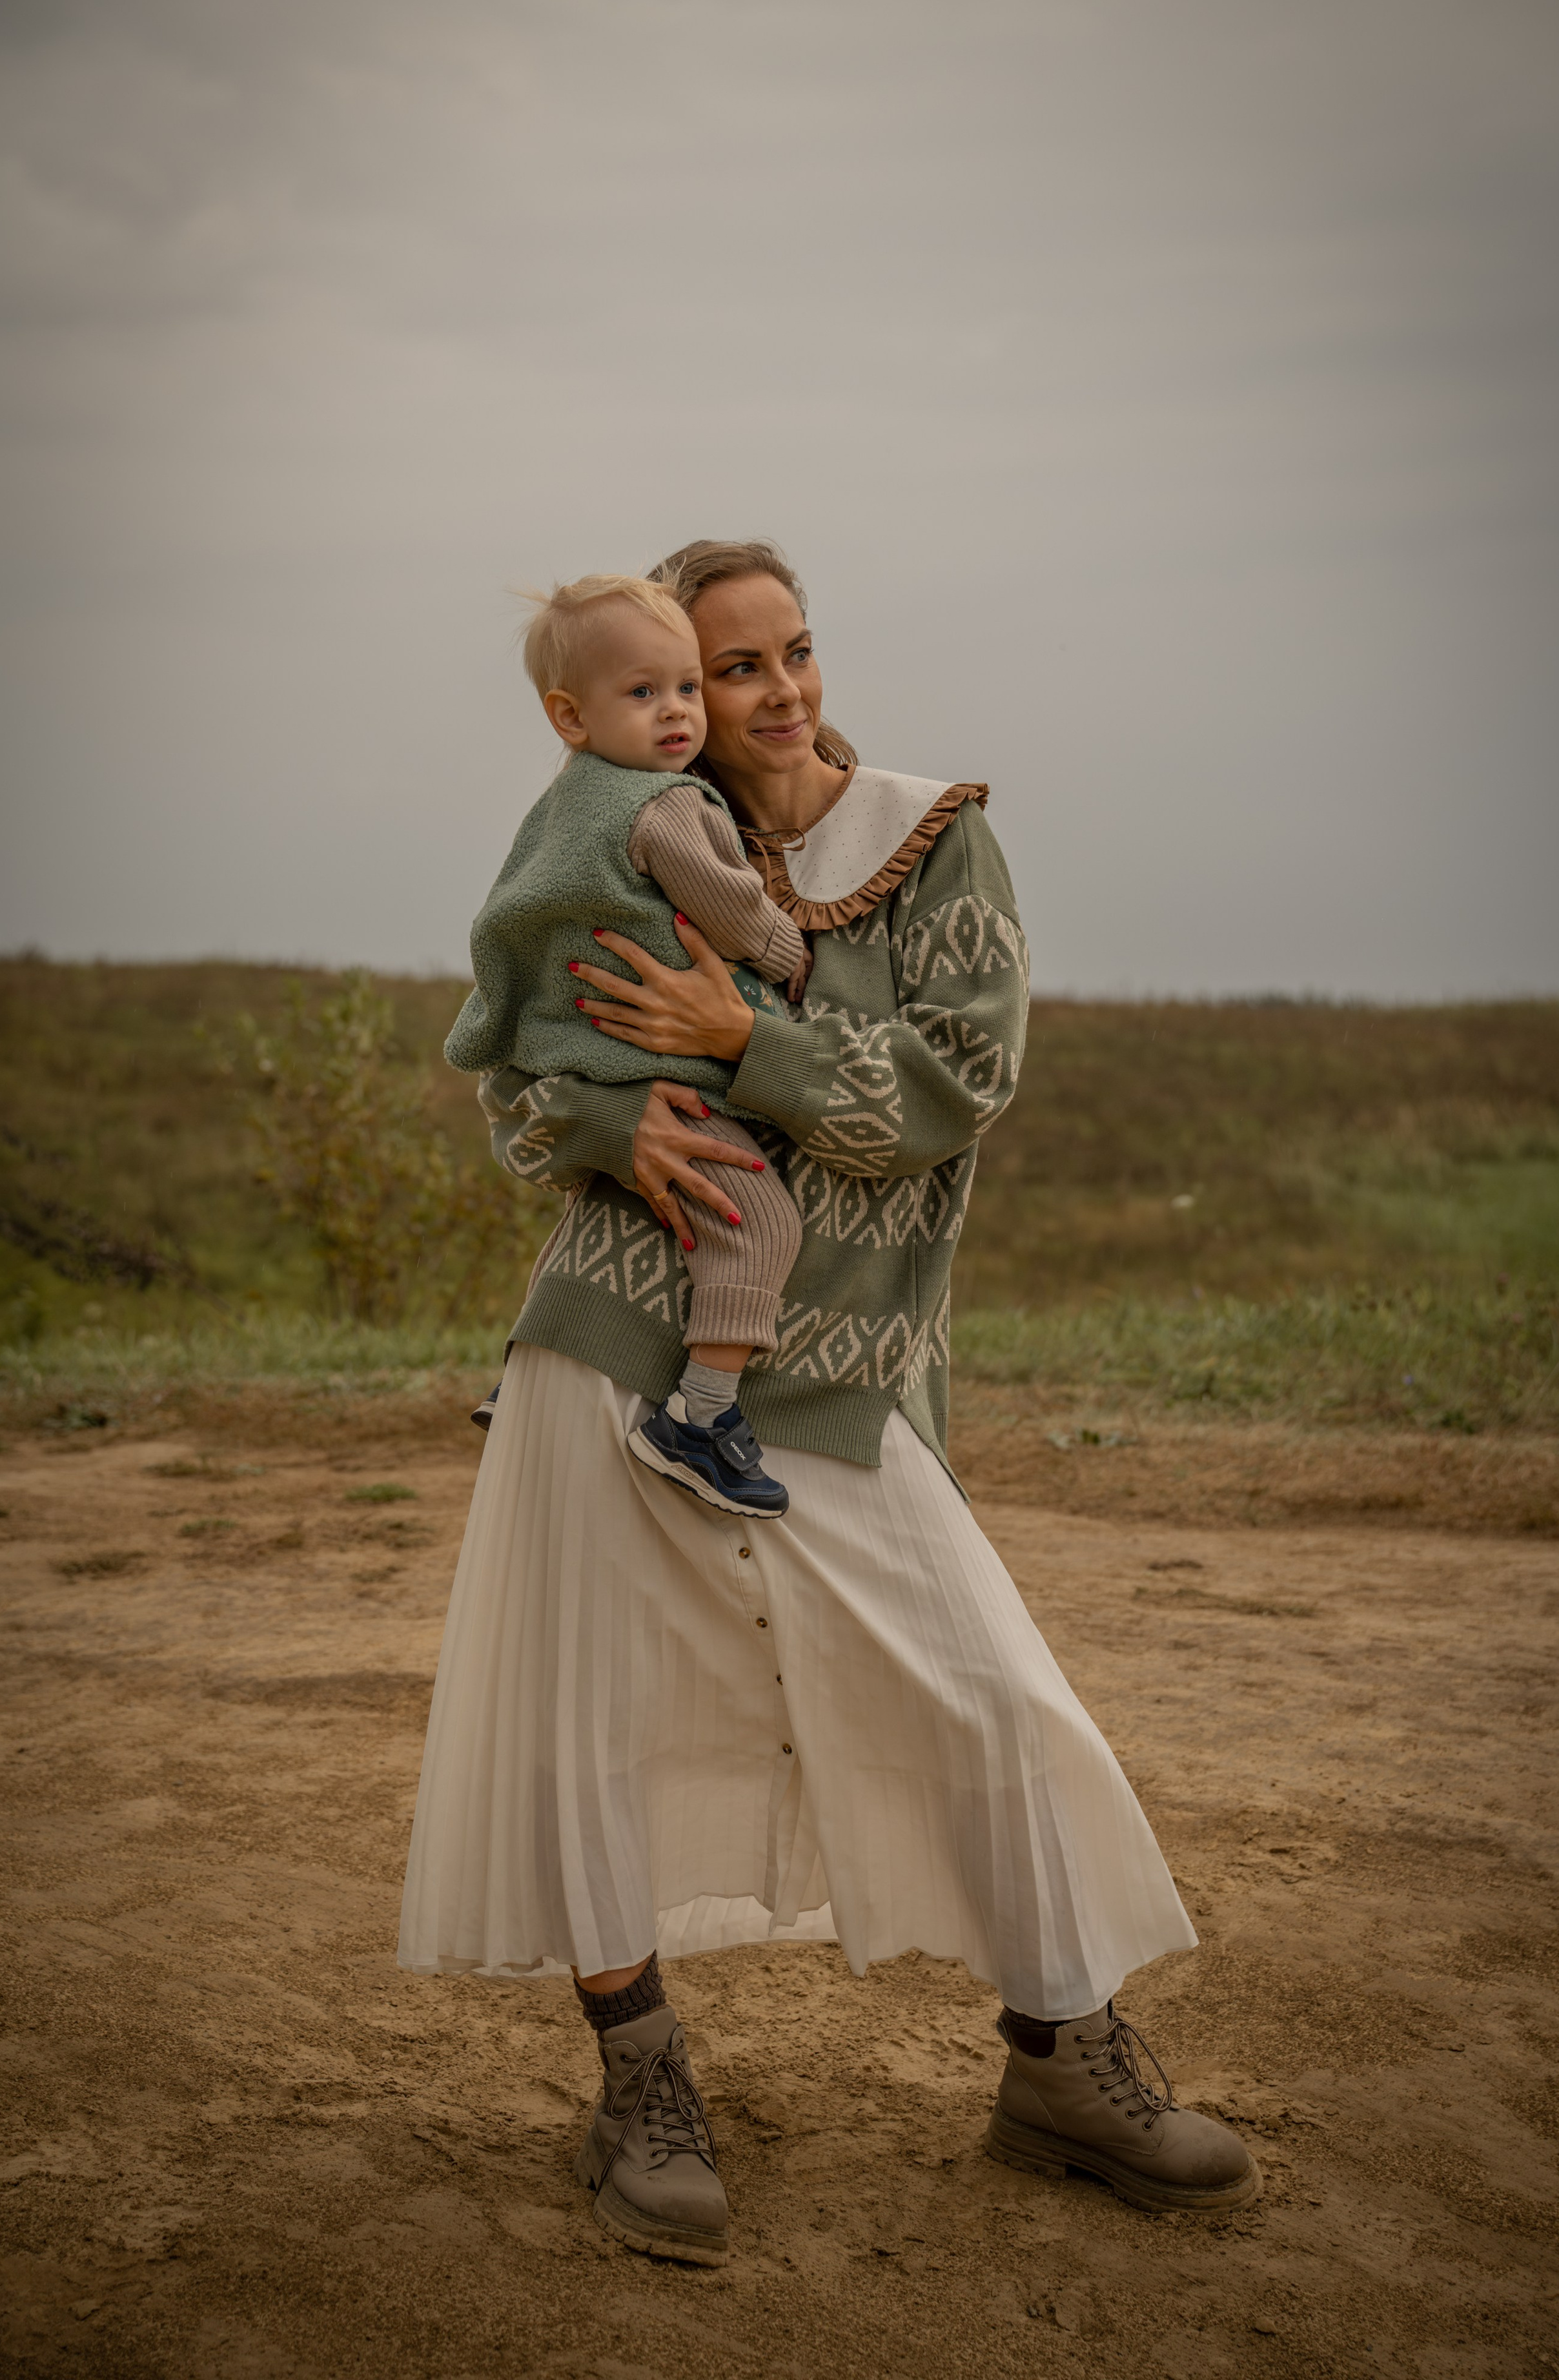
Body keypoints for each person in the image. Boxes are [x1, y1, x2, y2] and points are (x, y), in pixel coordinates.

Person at [398, 539, 1258, 2268]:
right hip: (613, 1330)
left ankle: (1063, 2060)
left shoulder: (932, 838)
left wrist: (742, 1044)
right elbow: (521, 1087)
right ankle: (642, 2084)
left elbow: (954, 1088)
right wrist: (604, 1121)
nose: (776, 691)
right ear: (664, 696)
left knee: (989, 1700)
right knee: (587, 1720)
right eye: (730, 669)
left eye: (791, 650)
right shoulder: (627, 833)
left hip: (844, 1367)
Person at [445, 571, 812, 1518]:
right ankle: (701, 1417)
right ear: (570, 716)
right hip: (666, 1073)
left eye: (687, 686)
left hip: (581, 1058)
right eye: (644, 692)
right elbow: (732, 910)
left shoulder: (563, 805)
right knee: (758, 1223)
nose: (676, 712)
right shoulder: (668, 807)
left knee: (597, 1213)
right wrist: (790, 953)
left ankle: (524, 1375)